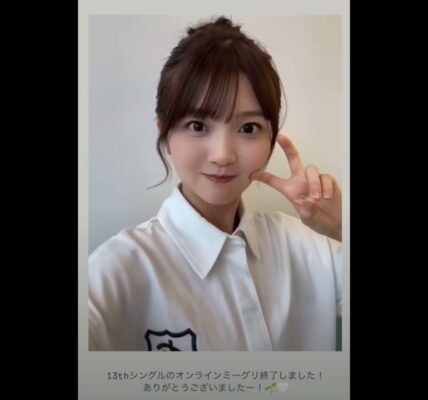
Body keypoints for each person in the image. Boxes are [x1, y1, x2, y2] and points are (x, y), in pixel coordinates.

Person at [88, 16, 342, 351]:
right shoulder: (117, 270)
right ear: (165, 133)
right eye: (197, 125)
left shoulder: (314, 246)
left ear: (271, 137)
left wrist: (341, 226)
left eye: (248, 128)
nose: (223, 155)